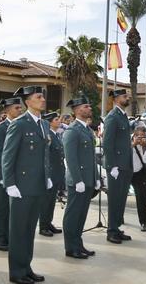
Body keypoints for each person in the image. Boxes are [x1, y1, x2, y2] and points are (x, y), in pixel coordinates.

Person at [1, 85, 52, 284]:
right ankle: (16, 271)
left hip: (38, 185)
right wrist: (10, 183)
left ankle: (26, 267)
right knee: (19, 230)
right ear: (28, 101)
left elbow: (44, 154)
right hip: (21, 187)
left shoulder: (44, 125)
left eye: (43, 96)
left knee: (30, 229)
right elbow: (8, 155)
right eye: (38, 97)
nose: (42, 99)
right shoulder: (19, 124)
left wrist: (46, 175)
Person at [62, 98, 98, 258]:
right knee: (73, 214)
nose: (90, 108)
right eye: (86, 106)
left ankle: (78, 243)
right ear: (77, 110)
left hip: (88, 179)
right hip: (78, 182)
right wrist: (78, 180)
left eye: (89, 105)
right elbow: (71, 159)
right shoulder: (72, 130)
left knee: (82, 214)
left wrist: (96, 177)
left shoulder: (87, 130)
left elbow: (92, 158)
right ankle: (71, 247)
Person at [102, 89, 133, 244]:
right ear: (115, 99)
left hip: (125, 164)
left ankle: (117, 227)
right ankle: (111, 231)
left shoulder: (123, 116)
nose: (127, 98)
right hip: (116, 166)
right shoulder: (112, 117)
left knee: (121, 199)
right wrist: (112, 165)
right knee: (114, 199)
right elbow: (107, 144)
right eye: (124, 96)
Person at [0, 96, 23, 251]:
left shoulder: (21, 126)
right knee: (2, 210)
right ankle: (0, 238)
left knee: (14, 211)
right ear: (7, 110)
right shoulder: (0, 128)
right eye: (16, 108)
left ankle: (10, 237)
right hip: (4, 178)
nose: (20, 109)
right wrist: (4, 178)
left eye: (20, 107)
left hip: (18, 177)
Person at [38, 111, 65, 237]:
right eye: (56, 120)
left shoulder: (56, 135)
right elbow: (45, 157)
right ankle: (43, 226)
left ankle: (48, 223)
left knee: (51, 201)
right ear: (49, 123)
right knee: (45, 201)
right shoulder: (47, 135)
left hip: (56, 174)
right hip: (50, 174)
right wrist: (47, 176)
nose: (59, 121)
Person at [130, 126, 146, 231]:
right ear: (134, 135)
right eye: (140, 137)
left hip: (139, 173)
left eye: (144, 137)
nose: (142, 139)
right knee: (120, 197)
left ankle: (144, 222)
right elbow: (122, 153)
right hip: (126, 172)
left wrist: (144, 147)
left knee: (141, 197)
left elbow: (145, 159)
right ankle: (119, 219)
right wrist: (133, 144)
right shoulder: (127, 140)